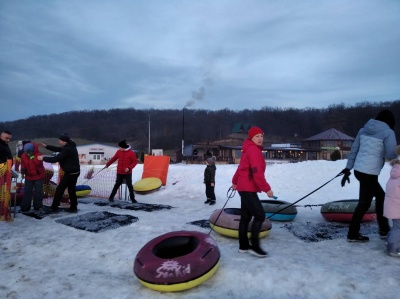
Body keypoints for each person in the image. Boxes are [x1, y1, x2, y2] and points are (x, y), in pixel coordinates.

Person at [340, 110, 397, 242]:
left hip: (359, 171)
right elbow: (391, 154)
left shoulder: (363, 130)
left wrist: (348, 168)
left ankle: (383, 229)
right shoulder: (388, 132)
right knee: (365, 203)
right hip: (369, 173)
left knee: (377, 197)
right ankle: (355, 234)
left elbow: (354, 149)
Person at [232, 126, 274, 258]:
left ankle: (243, 246)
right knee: (260, 216)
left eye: (261, 136)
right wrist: (267, 188)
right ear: (251, 138)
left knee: (245, 217)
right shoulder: (254, 151)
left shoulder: (247, 149)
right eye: (257, 136)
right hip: (248, 188)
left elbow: (241, 168)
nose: (260, 138)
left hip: (243, 187)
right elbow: (257, 174)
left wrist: (234, 181)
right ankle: (255, 247)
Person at [37, 133, 80, 213]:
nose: (59, 142)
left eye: (60, 141)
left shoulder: (67, 149)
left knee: (60, 189)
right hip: (75, 172)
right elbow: (57, 149)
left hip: (70, 173)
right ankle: (74, 206)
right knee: (71, 189)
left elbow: (55, 159)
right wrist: (46, 146)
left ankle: (54, 207)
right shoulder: (70, 146)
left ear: (64, 141)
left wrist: (43, 158)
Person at [383, 145, 400, 257]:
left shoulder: (396, 169)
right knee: (398, 227)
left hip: (393, 205)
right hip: (397, 206)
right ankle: (392, 248)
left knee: (396, 226)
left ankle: (389, 241)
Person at [20, 142, 45, 212]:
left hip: (38, 176)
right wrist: (23, 171)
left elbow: (38, 163)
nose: (27, 154)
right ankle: (25, 207)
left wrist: (31, 156)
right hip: (28, 176)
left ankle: (37, 206)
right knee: (27, 191)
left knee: (38, 192)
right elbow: (23, 164)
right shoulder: (23, 155)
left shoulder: (39, 154)